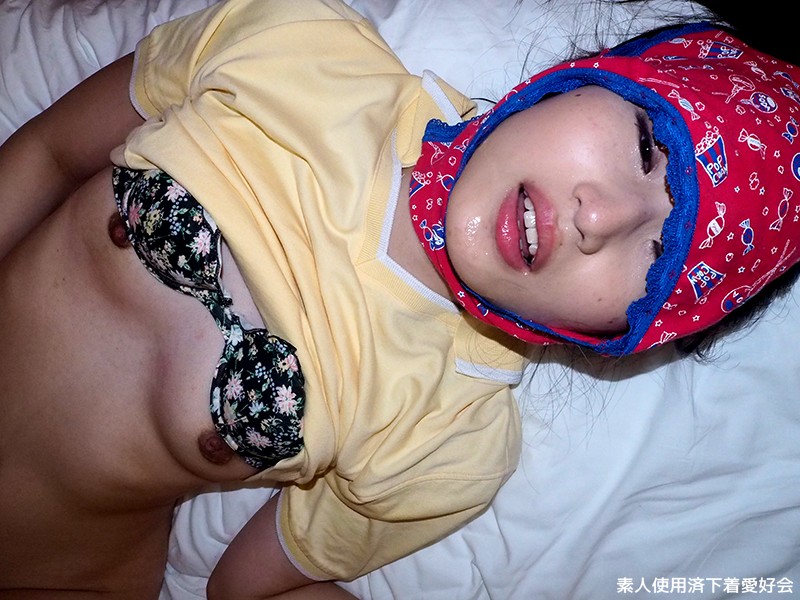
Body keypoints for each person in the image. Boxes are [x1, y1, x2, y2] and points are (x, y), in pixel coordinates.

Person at [1, 0, 798, 598]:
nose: (604, 216)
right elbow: (48, 152)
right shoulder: (299, 47)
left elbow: (243, 588)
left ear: (623, 332)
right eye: (648, 145)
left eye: (661, 258)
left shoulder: (450, 441)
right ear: (587, 78)